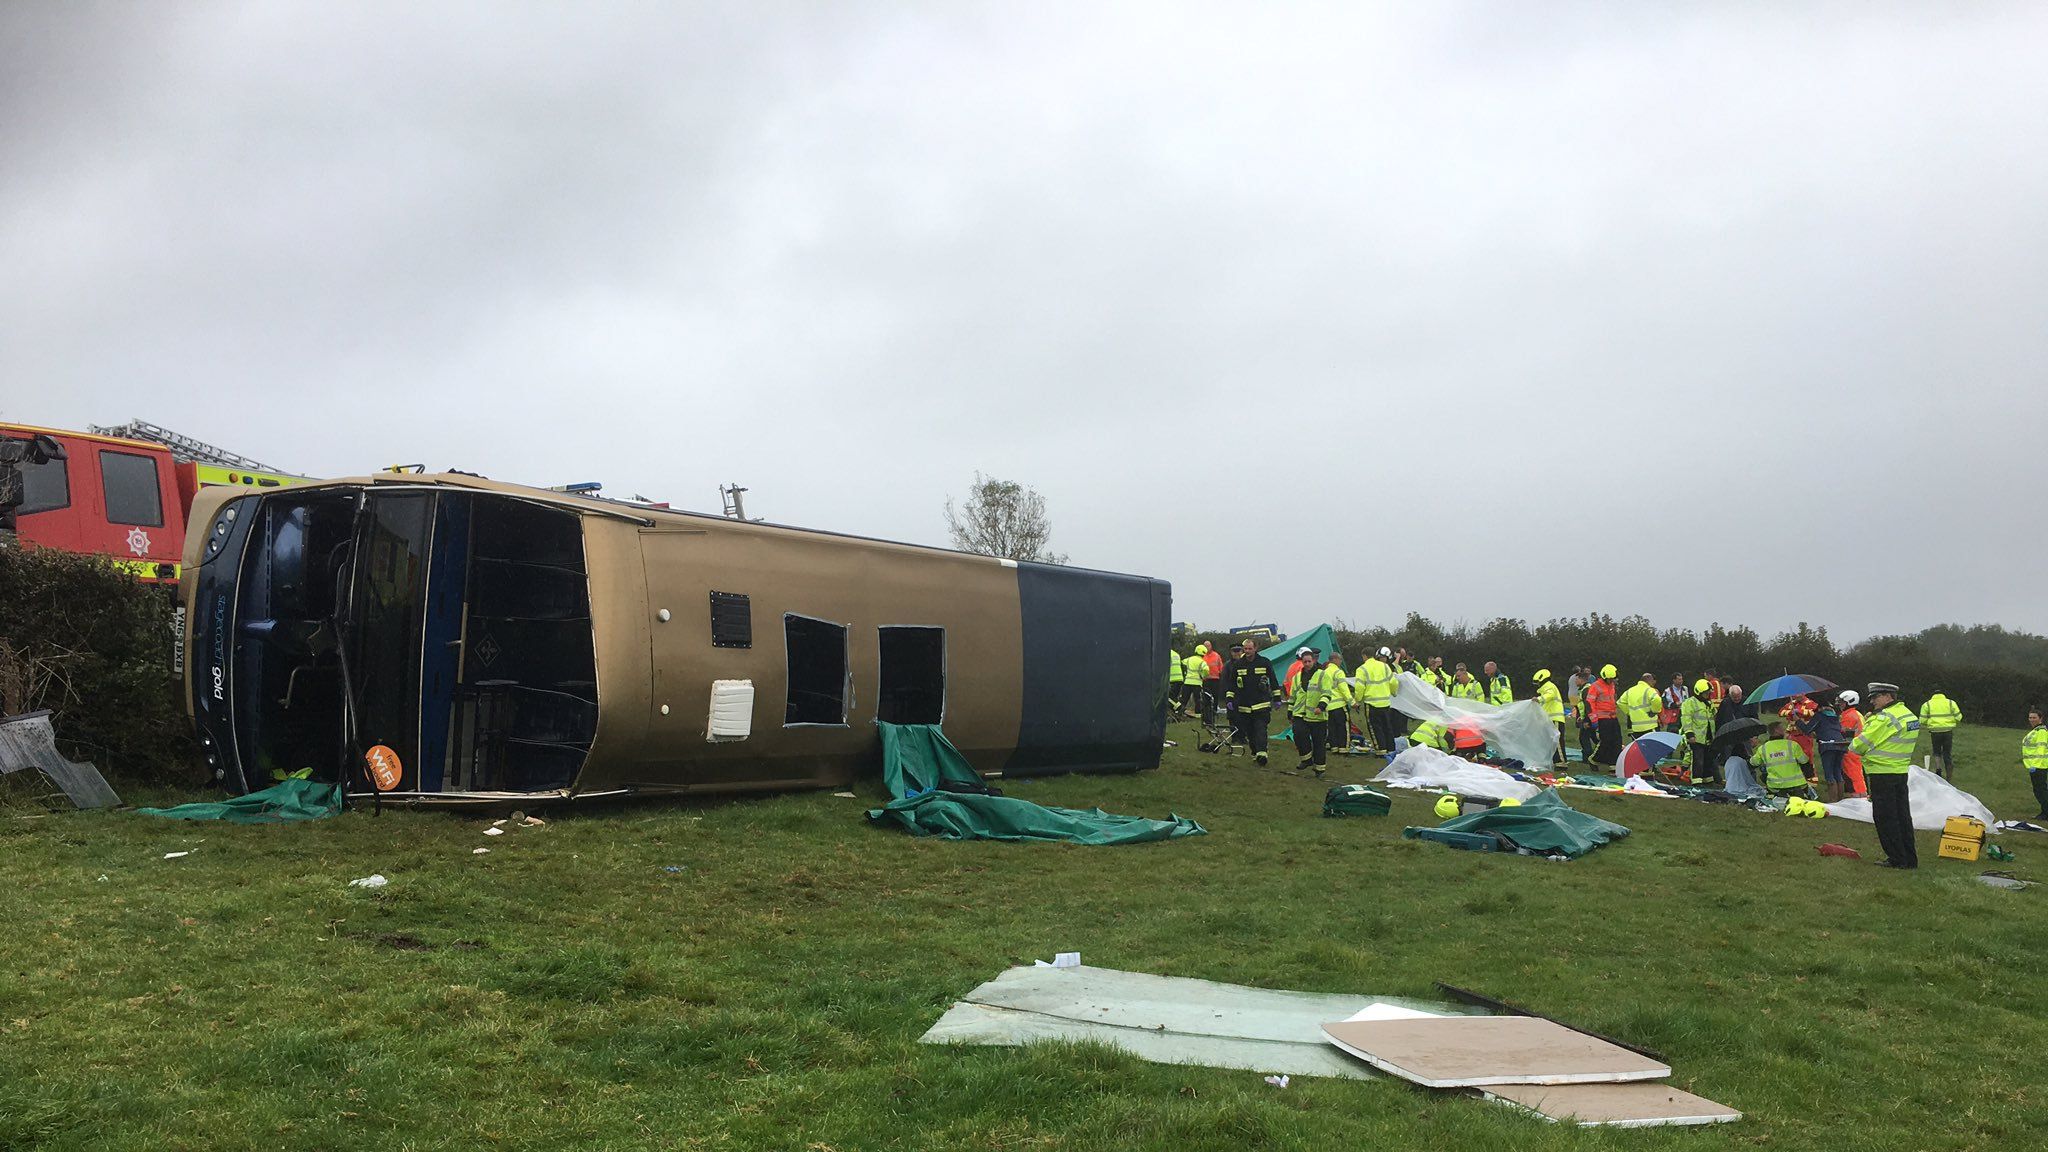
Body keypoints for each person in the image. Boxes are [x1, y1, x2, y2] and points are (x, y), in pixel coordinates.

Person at [1851, 682, 1923, 869]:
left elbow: (1858, 746)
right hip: (1900, 771)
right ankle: (1909, 858)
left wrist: (1865, 727)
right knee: (1902, 817)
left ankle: (1897, 859)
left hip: (1882, 773)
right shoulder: (1908, 714)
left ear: (1887, 696)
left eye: (1875, 697)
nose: (1872, 702)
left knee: (1885, 818)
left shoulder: (1883, 718)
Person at [1222, 640, 1281, 766]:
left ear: (1255, 648)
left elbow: (1274, 681)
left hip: (1262, 704)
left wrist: (1277, 698)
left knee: (1260, 729)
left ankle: (1262, 753)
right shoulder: (1238, 665)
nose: (1247, 651)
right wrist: (1229, 699)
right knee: (1250, 732)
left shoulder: (1264, 662)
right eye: (1245, 649)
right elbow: (1232, 685)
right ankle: (1255, 752)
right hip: (1244, 706)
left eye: (1249, 649)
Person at [1287, 646, 1336, 775]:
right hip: (1300, 713)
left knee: (1318, 743)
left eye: (1309, 661)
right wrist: (1290, 710)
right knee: (1298, 734)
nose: (1307, 664)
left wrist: (1321, 706)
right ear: (1302, 662)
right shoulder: (1297, 677)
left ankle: (1319, 769)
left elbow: (1327, 693)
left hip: (1317, 715)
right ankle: (1306, 759)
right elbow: (1293, 695)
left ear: (1313, 661)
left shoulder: (1322, 675)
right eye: (1305, 662)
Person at [1803, 694, 1851, 803]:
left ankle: (1833, 800)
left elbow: (1807, 729)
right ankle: (1840, 800)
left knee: (1829, 773)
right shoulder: (1835, 716)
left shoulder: (1819, 715)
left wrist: (1797, 720)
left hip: (1827, 746)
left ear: (1820, 708)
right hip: (1840, 745)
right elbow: (1829, 730)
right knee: (1838, 772)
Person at [1356, 646, 1400, 752]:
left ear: (1364, 656)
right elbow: (1393, 682)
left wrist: (1358, 700)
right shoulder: (1384, 667)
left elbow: (1359, 687)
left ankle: (1381, 749)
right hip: (1385, 703)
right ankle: (1391, 748)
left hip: (1371, 703)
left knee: (1375, 728)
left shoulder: (1362, 669)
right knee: (1387, 727)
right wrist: (1393, 693)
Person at [1753, 725, 1815, 798]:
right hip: (1797, 784)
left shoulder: (1763, 748)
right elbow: (1805, 761)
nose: (1785, 730)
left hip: (1775, 786)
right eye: (1782, 729)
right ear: (1777, 731)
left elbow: (1753, 763)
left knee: (1763, 771)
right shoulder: (1792, 745)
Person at [1680, 678, 1718, 786]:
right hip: (1696, 738)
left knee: (1707, 760)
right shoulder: (1689, 703)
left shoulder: (1708, 703)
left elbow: (1713, 717)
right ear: (1699, 692)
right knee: (1698, 760)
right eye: (1706, 693)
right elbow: (1686, 720)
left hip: (1708, 737)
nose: (1708, 695)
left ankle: (1708, 779)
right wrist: (1690, 734)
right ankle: (1696, 781)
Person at [1918, 691, 1962, 779]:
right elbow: (1959, 717)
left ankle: (1938, 770)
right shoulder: (1950, 703)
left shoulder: (1927, 704)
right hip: (1948, 731)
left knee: (1937, 751)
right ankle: (1949, 774)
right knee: (1947, 752)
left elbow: (1922, 720)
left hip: (1935, 732)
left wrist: (1930, 723)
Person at [1584, 665, 1620, 767]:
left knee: (1617, 741)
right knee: (1605, 741)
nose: (1611, 680)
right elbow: (1589, 703)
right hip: (1602, 718)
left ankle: (1613, 764)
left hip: (1612, 717)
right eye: (1609, 679)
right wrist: (1593, 719)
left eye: (1612, 679)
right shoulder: (1595, 686)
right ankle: (1593, 759)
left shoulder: (1612, 686)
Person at [1532, 669, 1566, 766]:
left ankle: (1561, 762)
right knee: (1551, 741)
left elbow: (1549, 695)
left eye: (1538, 682)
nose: (1537, 685)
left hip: (1555, 719)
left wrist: (1538, 699)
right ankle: (1555, 760)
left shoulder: (1549, 687)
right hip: (1550, 719)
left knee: (1557, 740)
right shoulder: (1546, 688)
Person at [1837, 690, 1868, 797]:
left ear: (1849, 702)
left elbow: (1842, 732)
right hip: (1858, 748)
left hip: (1850, 750)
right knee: (1858, 774)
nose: (1840, 705)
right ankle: (1862, 795)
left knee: (1853, 776)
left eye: (1842, 702)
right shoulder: (1856, 713)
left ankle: (1858, 797)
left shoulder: (1849, 716)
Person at [1618, 672, 1662, 746]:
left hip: (1636, 727)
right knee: (1651, 748)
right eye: (1652, 680)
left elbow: (1620, 702)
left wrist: (1629, 712)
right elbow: (1657, 699)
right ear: (1648, 679)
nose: (1653, 683)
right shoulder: (1649, 690)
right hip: (1650, 725)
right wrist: (1655, 711)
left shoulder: (1630, 690)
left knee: (1640, 749)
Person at [1323, 652, 1354, 754]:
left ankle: (1334, 748)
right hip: (1340, 705)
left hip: (1328, 705)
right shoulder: (1338, 672)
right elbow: (1344, 689)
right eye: (1340, 659)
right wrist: (1352, 702)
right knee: (1343, 727)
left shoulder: (1324, 672)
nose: (1340, 662)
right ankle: (1343, 748)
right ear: (1335, 659)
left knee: (1332, 728)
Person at [2023, 707, 2048, 819]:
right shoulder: (2036, 731)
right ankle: (2044, 811)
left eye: (2034, 717)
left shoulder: (2041, 731)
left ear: (2040, 718)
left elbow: (2040, 749)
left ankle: (2046, 813)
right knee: (2039, 790)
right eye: (2030, 717)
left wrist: (2035, 765)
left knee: (2040, 790)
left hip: (2039, 765)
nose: (2031, 719)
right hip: (2035, 765)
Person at [1182, 647, 1212, 718]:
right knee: (1197, 699)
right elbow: (1206, 669)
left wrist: (1184, 673)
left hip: (1187, 682)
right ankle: (1198, 714)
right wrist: (1203, 676)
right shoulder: (1202, 661)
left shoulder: (1189, 659)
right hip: (1197, 683)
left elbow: (1182, 662)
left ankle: (1180, 712)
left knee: (1184, 698)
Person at [1167, 646, 1185, 713]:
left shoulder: (1166, 654)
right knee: (1174, 698)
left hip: (1172, 679)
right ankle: (1176, 712)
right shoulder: (1176, 654)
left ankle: (1180, 709)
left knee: (1167, 697)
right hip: (1179, 679)